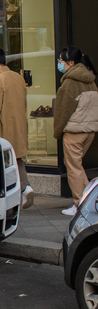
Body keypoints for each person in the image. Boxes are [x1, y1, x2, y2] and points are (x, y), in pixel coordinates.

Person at [0, 47, 34, 209]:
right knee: (17, 159)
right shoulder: (17, 78)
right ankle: (25, 187)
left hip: (2, 129)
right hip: (18, 126)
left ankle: (6, 197)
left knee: (0, 164)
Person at [54, 47, 98, 216]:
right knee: (77, 166)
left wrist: (57, 133)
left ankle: (81, 204)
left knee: (74, 168)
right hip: (89, 130)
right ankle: (88, 200)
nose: (59, 64)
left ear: (71, 63)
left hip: (74, 131)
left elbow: (62, 113)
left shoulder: (69, 84)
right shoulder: (90, 80)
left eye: (61, 61)